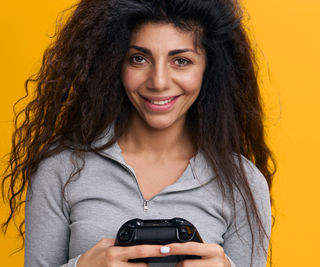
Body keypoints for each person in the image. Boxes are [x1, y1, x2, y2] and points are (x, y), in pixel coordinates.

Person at [1, 0, 276, 266]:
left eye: (181, 61)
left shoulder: (243, 183)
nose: (158, 81)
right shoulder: (61, 170)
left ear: (209, 68)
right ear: (114, 63)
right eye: (138, 58)